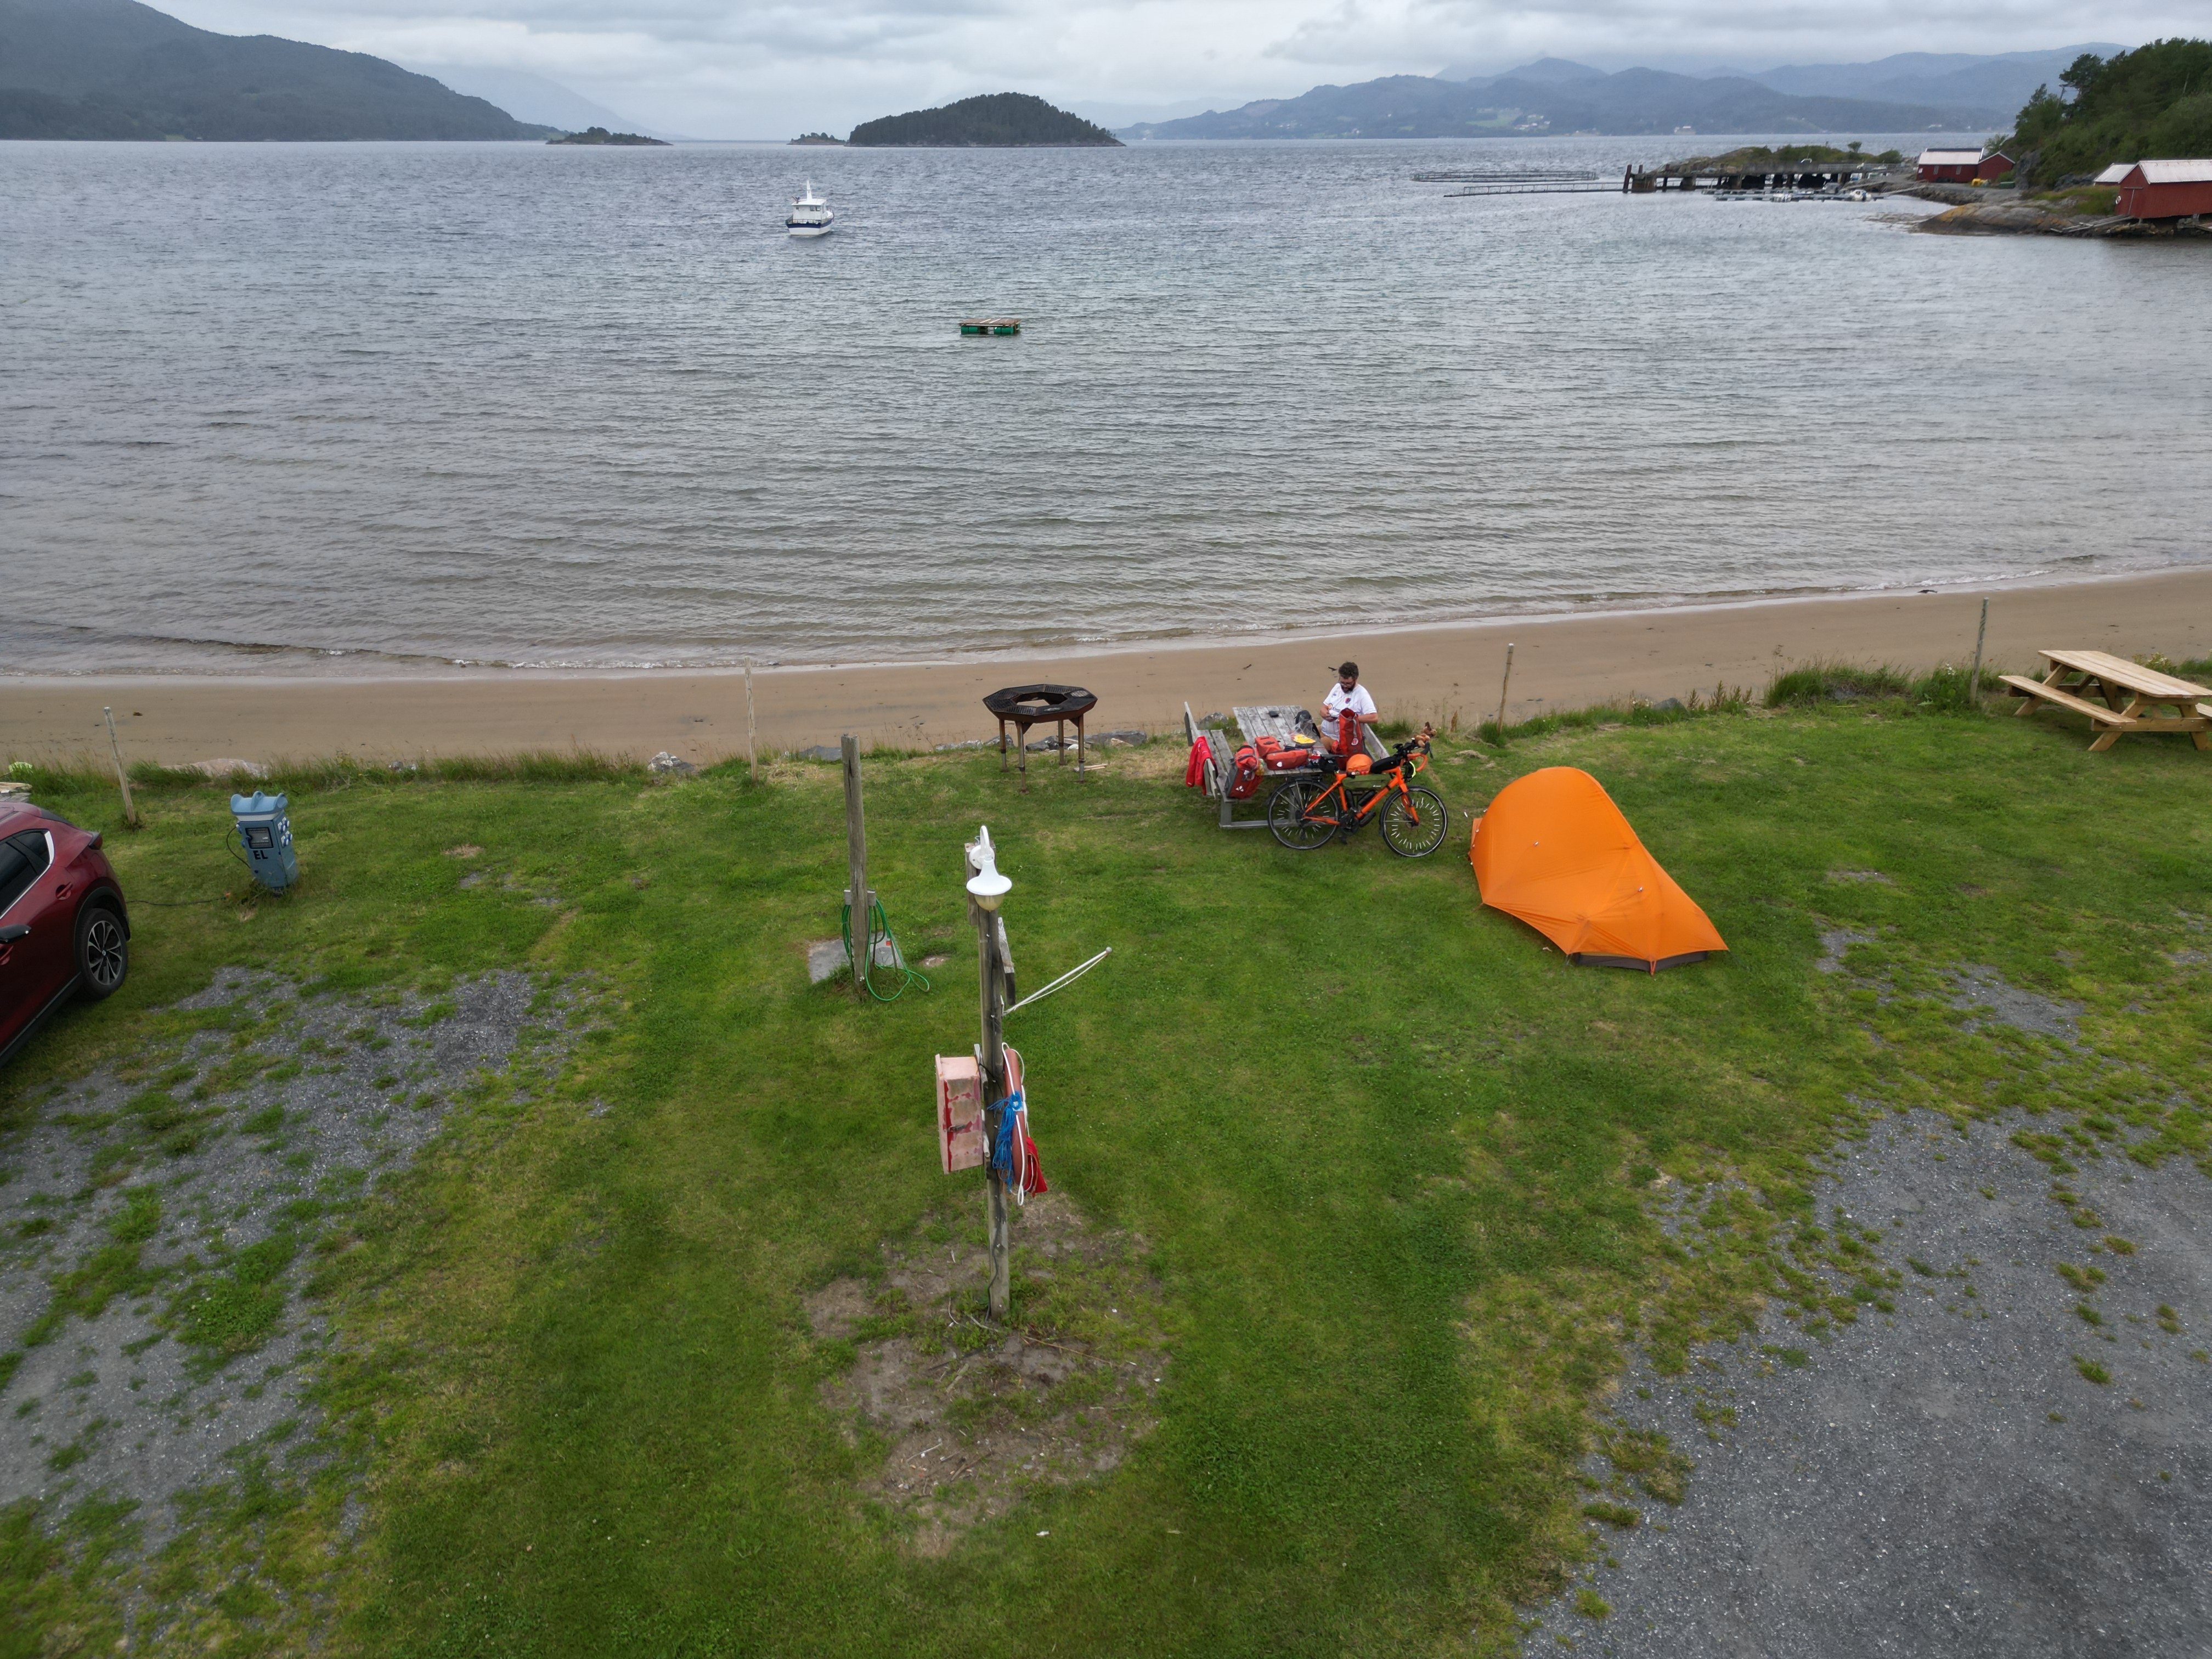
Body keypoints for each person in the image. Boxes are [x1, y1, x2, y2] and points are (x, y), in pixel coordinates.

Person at [1321, 662, 1378, 759]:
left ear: (1355, 679)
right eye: (1342, 682)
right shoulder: (1337, 687)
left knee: (1313, 746)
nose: (1345, 686)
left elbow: (1374, 717)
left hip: (1339, 740)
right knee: (1301, 733)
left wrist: (1349, 720)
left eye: (1348, 684)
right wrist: (1324, 713)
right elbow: (1324, 707)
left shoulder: (1362, 694)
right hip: (1324, 729)